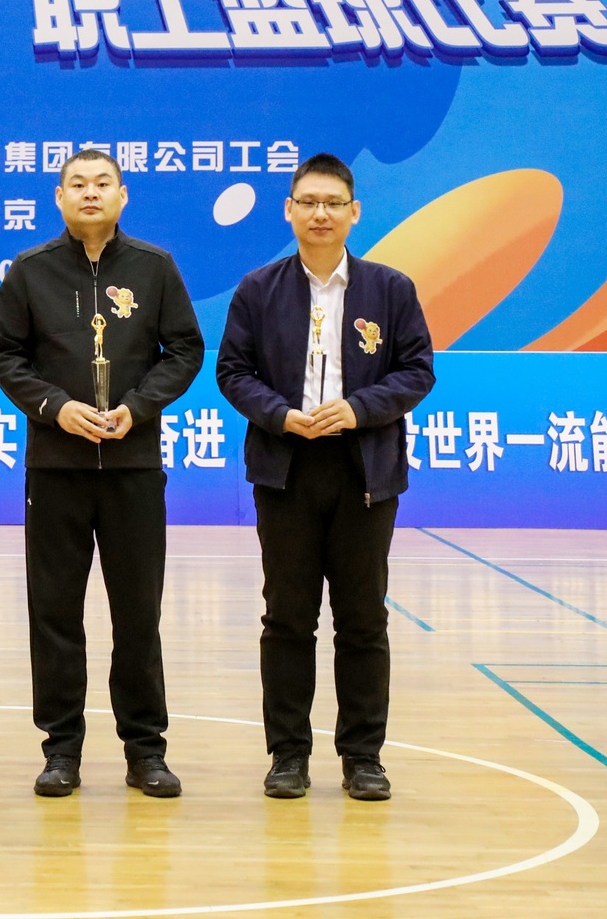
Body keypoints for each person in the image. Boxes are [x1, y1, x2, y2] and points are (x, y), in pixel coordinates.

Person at [215, 152, 434, 802]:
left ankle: (363, 757)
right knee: (287, 618)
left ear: (354, 212)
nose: (320, 213)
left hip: (364, 472)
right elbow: (233, 371)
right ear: (289, 210)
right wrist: (278, 414)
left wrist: (360, 408)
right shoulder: (258, 289)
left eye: (332, 203)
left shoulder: (390, 289)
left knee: (363, 618)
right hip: (285, 470)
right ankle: (288, 754)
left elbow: (417, 370)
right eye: (308, 202)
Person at [0, 149, 204, 799]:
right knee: (55, 612)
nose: (90, 193)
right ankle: (62, 749)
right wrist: (56, 407)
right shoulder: (30, 269)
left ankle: (145, 750)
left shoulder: (155, 266)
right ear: (59, 197)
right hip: (56, 467)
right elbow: (5, 355)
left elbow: (185, 349)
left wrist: (138, 407)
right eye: (77, 184)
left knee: (137, 613)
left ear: (122, 194)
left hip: (133, 466)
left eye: (102, 183)